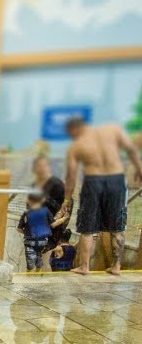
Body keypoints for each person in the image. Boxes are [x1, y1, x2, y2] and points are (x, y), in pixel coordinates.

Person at [55, 117, 142, 275]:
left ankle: (84, 267)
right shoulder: (112, 130)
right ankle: (116, 266)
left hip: (93, 181)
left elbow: (71, 177)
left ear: (73, 130)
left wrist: (66, 199)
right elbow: (131, 150)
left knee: (87, 228)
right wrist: (139, 170)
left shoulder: (76, 146)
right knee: (117, 227)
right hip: (116, 180)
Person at [17, 192, 53, 271]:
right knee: (39, 259)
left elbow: (19, 229)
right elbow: (53, 224)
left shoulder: (26, 213)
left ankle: (28, 276)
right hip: (43, 241)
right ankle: (37, 274)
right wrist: (63, 218)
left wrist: (27, 233)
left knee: (30, 264)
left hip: (30, 241)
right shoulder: (46, 211)